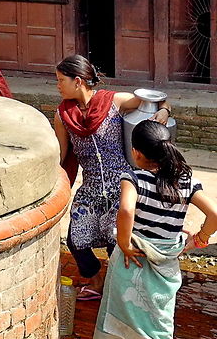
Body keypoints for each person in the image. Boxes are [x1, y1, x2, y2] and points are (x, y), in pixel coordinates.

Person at [82, 120, 217, 339]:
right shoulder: (184, 180)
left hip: (131, 262)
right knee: (160, 330)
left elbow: (127, 211)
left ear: (136, 152)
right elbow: (214, 215)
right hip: (164, 265)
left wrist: (125, 243)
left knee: (111, 317)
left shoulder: (135, 178)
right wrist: (199, 238)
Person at [53, 54, 171, 299]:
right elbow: (61, 155)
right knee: (76, 240)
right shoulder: (62, 115)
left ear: (78, 81)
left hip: (123, 184)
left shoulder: (113, 101)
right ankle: (97, 281)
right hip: (91, 187)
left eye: (60, 80)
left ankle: (122, 293)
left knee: (116, 241)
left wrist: (164, 113)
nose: (57, 86)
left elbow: (158, 100)